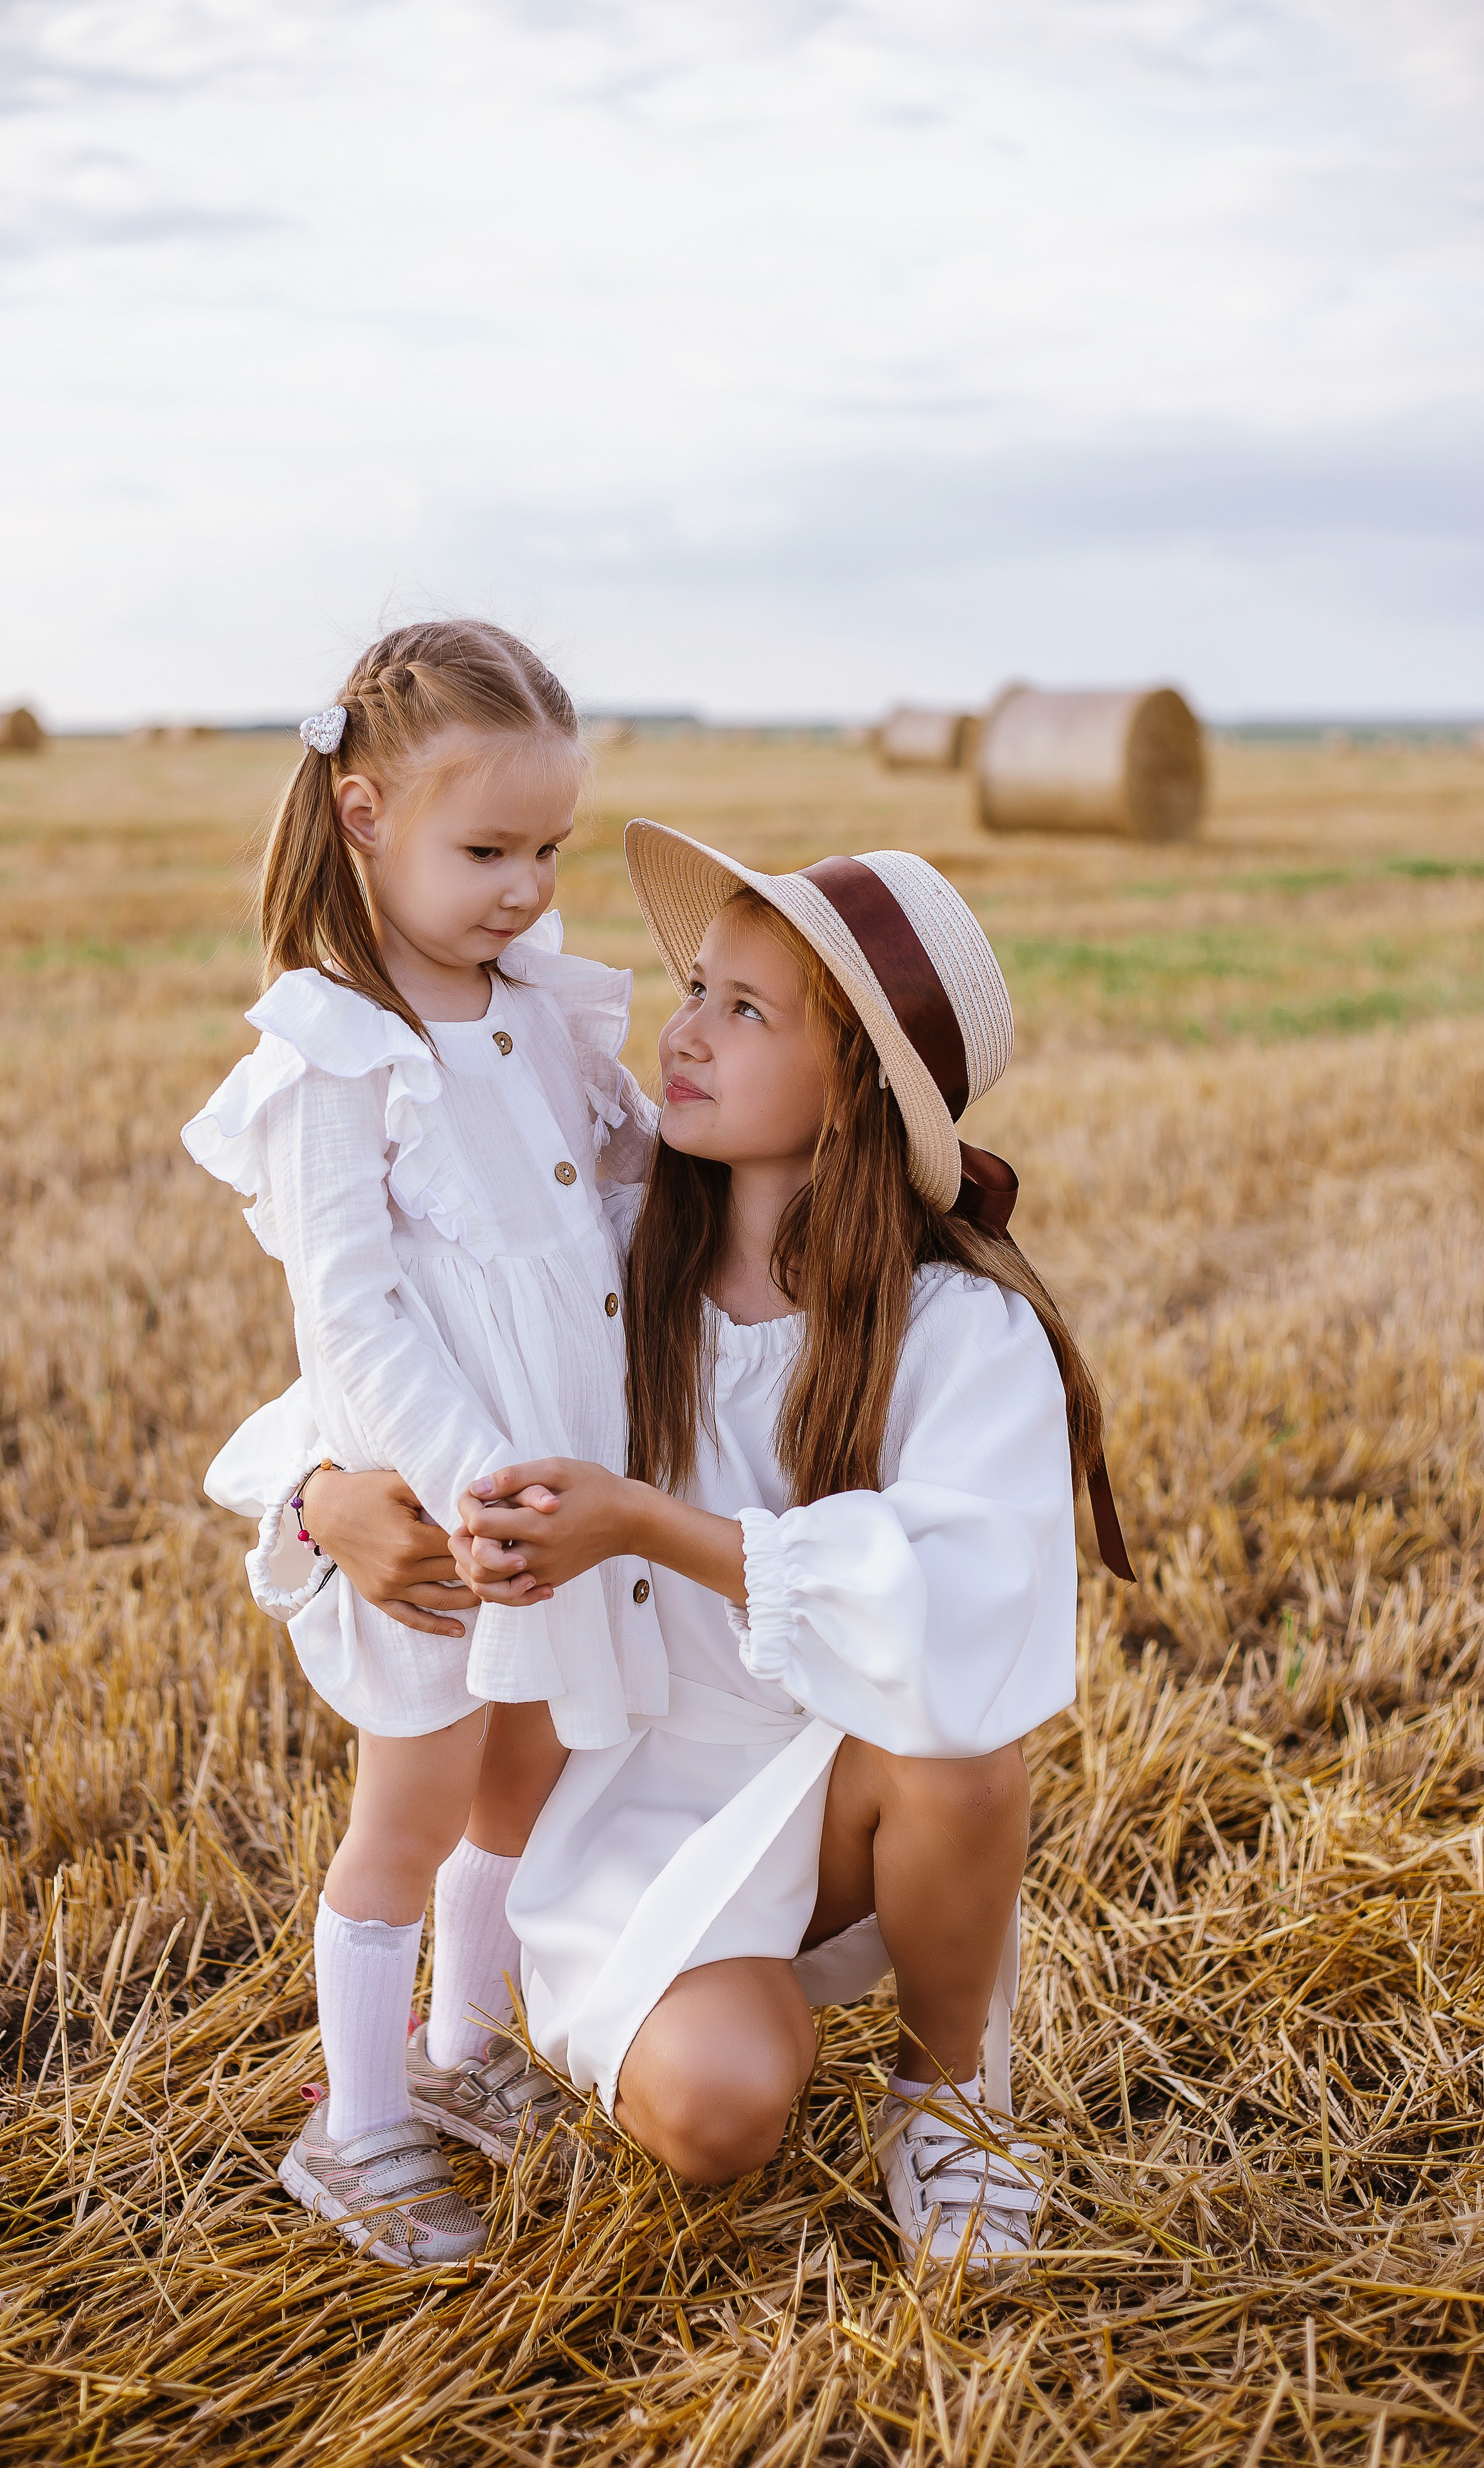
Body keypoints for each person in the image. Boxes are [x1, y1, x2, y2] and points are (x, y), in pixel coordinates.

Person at [438, 824, 1132, 2267]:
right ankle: (663, 2006)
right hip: (626, 1783)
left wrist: (643, 1524)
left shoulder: (957, 1330)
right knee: (719, 2113)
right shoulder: (611, 1262)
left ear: (853, 1089)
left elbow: (958, 1613)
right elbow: (384, 1366)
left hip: (839, 1780)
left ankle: (950, 2100)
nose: (680, 1035)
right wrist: (327, 1492)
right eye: (695, 989)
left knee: (955, 1735)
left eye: (743, 1012)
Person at [181, 623, 666, 2269]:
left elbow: (615, 1199)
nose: (525, 886)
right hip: (448, 1491)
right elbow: (354, 1314)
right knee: (411, 1804)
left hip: (562, 1480)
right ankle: (361, 2120)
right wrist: (472, 1484)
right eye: (487, 850)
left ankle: (466, 2051)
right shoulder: (334, 1050)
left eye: (547, 849)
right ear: (366, 812)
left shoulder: (537, 1004)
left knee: (525, 1777)